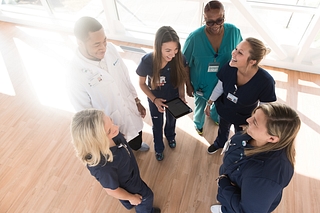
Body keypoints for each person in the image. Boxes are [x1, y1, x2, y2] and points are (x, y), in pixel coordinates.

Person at [67, 16, 149, 152]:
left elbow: (125, 76)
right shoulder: (75, 75)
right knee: (120, 151)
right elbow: (84, 113)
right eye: (96, 44)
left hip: (128, 106)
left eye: (104, 41)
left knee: (136, 135)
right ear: (80, 43)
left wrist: (136, 100)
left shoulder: (110, 49)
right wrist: (105, 132)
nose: (103, 47)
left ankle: (137, 146)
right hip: (109, 125)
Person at [210, 103, 301, 213]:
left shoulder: (267, 176)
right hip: (230, 185)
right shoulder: (252, 134)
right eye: (254, 115)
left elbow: (247, 211)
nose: (248, 120)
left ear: (272, 138)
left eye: (255, 122)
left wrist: (223, 184)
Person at [70, 109, 161, 213]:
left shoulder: (113, 135)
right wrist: (131, 197)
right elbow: (112, 190)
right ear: (96, 141)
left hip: (129, 172)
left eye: (111, 121)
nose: (116, 128)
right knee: (146, 197)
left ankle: (128, 203)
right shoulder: (102, 167)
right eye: (109, 130)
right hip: (129, 183)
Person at [205, 37, 277, 154]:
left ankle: (237, 151)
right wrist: (209, 103)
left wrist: (253, 123)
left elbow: (265, 109)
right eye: (236, 49)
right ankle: (220, 143)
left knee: (241, 137)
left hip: (245, 118)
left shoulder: (266, 81)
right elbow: (220, 87)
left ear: (252, 61)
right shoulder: (229, 67)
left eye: (240, 52)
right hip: (225, 109)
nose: (233, 53)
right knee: (223, 129)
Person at [182, 0, 242, 136]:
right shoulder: (194, 38)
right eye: (210, 22)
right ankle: (198, 123)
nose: (215, 25)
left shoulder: (233, 32)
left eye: (219, 20)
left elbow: (241, 54)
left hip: (224, 83)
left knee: (219, 103)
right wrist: (188, 85)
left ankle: (215, 117)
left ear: (224, 16)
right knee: (200, 105)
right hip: (201, 85)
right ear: (204, 19)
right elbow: (184, 64)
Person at [136, 26, 188, 161]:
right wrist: (154, 100)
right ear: (158, 47)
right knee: (157, 124)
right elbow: (142, 84)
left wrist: (181, 95)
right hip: (156, 99)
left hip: (174, 96)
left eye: (176, 49)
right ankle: (159, 147)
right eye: (168, 50)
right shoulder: (147, 61)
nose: (173, 54)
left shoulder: (179, 58)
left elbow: (181, 78)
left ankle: (170, 136)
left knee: (172, 120)